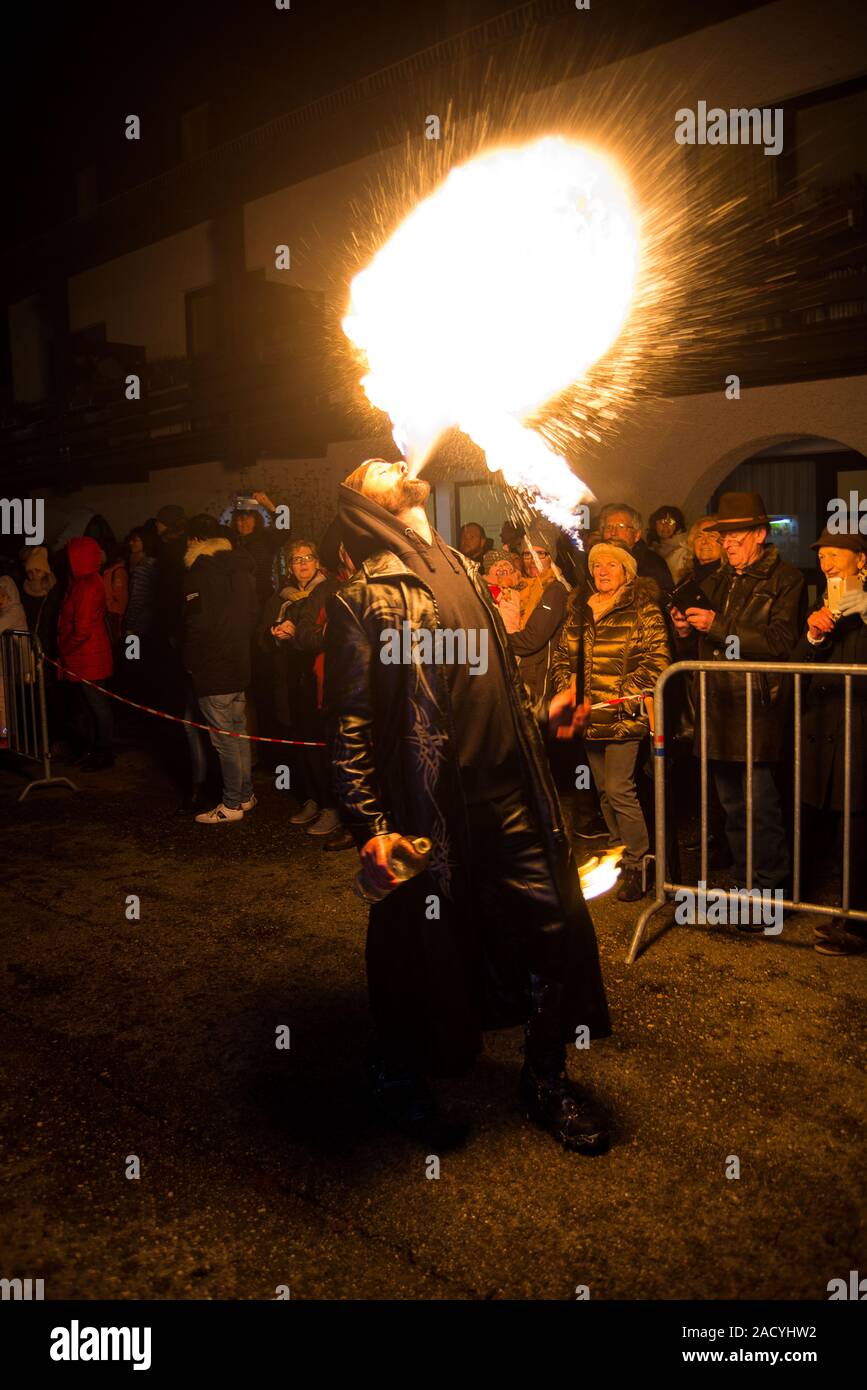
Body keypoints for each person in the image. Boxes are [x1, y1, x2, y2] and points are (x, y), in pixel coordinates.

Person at [325, 458, 610, 1155]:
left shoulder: (456, 565)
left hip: (511, 794)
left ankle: (544, 1080)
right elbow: (349, 722)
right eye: (374, 470)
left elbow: (485, 681)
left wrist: (543, 718)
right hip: (427, 808)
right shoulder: (365, 598)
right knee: (413, 949)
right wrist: (369, 825)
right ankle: (393, 1072)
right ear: (360, 506)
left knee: (552, 933)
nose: (397, 463)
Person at [669, 492, 806, 899]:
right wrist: (684, 628)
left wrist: (716, 625)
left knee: (760, 807)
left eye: (736, 535)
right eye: (723, 536)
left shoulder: (787, 579)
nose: (727, 544)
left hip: (755, 708)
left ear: (761, 534)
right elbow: (704, 641)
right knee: (732, 807)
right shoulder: (719, 578)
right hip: (717, 706)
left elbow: (781, 641)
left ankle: (769, 893)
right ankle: (746, 884)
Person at [551, 543, 670, 901]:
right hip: (588, 720)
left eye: (611, 565)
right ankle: (619, 852)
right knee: (603, 791)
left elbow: (657, 663)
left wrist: (616, 696)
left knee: (620, 789)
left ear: (627, 573)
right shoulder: (579, 611)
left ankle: (639, 864)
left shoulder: (643, 611)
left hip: (623, 716)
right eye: (597, 565)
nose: (602, 571)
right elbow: (560, 658)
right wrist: (568, 691)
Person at [793, 529, 867, 956]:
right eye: (822, 556)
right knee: (842, 823)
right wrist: (814, 636)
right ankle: (848, 914)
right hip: (825, 728)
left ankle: (858, 923)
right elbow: (795, 664)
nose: (826, 563)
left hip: (859, 727)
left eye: (835, 554)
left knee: (859, 823)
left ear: (860, 559)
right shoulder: (822, 600)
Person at [182, 514, 258, 824]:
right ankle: (245, 796)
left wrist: (190, 660)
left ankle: (230, 805)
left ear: (195, 541)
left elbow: (197, 623)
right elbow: (252, 614)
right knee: (238, 733)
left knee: (224, 739)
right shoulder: (240, 568)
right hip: (240, 662)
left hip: (213, 667)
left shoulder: (199, 571)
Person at [259, 540, 329, 825]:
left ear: (317, 562)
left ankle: (331, 805)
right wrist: (274, 634)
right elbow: (261, 637)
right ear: (289, 567)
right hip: (290, 680)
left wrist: (298, 632)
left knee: (321, 742)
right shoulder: (280, 598)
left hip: (319, 678)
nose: (302, 564)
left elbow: (326, 634)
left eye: (308, 558)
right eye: (296, 559)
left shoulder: (328, 592)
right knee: (300, 741)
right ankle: (311, 798)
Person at [56, 537, 115, 770]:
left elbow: (82, 630)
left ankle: (103, 754)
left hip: (86, 655)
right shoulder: (82, 582)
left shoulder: (87, 586)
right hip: (85, 655)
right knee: (91, 707)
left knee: (97, 706)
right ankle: (94, 750)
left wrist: (63, 650)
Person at [509, 528, 571, 704]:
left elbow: (533, 639)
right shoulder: (521, 587)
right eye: (527, 555)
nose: (532, 560)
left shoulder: (555, 589)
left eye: (540, 554)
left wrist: (496, 638)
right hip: (523, 675)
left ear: (551, 556)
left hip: (538, 680)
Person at [598, 503, 673, 593]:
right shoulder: (597, 562)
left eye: (621, 526)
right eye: (608, 527)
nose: (613, 532)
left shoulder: (653, 565)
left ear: (636, 535)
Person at [230, 491, 287, 605]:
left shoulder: (266, 539)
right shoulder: (231, 543)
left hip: (262, 599)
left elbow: (284, 531)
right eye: (240, 518)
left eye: (248, 517)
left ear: (256, 520)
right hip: (238, 601)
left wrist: (270, 506)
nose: (244, 522)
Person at [647, 505, 691, 585]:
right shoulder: (652, 550)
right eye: (661, 521)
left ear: (678, 525)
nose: (665, 525)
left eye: (670, 522)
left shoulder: (685, 550)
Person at [685, 515, 725, 586]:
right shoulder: (687, 578)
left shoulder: (726, 581)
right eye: (699, 536)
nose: (704, 541)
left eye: (712, 536)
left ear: (724, 543)